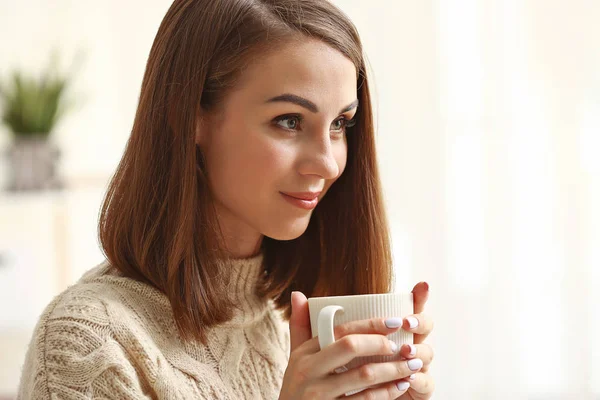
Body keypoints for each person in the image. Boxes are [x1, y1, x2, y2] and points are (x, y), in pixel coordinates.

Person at [17, 0, 435, 398]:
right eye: (289, 121)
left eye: (341, 123)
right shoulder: (87, 343)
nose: (328, 164)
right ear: (193, 117)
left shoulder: (287, 322)